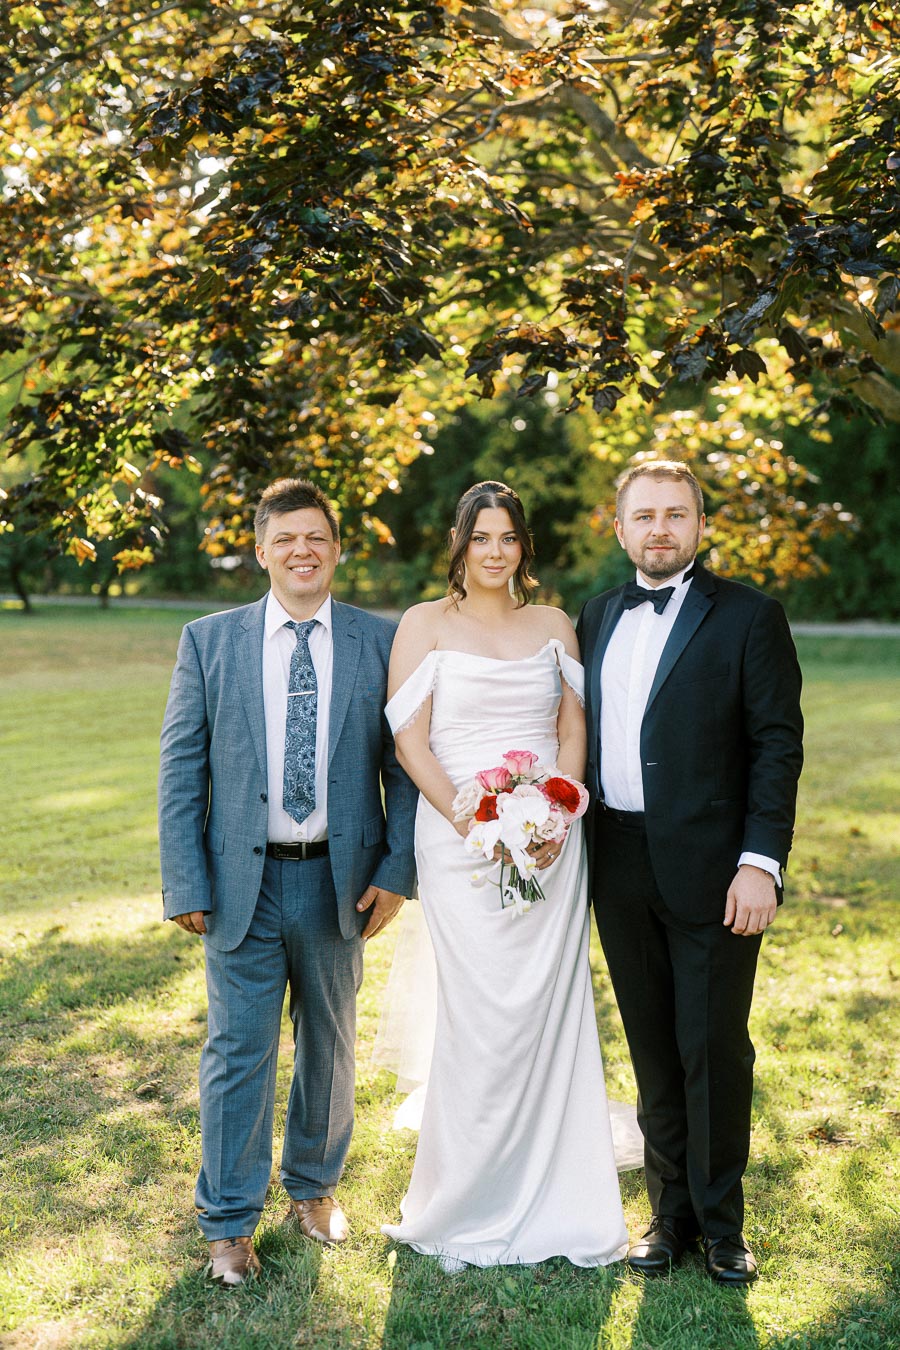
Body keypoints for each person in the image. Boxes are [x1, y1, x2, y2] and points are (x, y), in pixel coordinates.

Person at [158, 478, 417, 1286]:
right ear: (262, 551)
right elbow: (180, 766)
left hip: (341, 880)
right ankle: (229, 1223)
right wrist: (185, 879)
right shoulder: (210, 641)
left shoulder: (382, 642)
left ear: (337, 550)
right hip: (241, 881)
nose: (303, 551)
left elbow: (406, 768)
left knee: (331, 1043)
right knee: (236, 1050)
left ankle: (313, 1189)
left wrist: (395, 871)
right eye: (286, 539)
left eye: (318, 538)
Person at [380, 480, 628, 1271]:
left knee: (547, 1009)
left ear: (524, 545)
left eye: (508, 537)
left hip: (551, 845)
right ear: (459, 542)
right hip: (457, 841)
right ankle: (466, 1194)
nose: (495, 551)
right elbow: (411, 742)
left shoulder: (554, 624)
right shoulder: (424, 625)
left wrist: (559, 813)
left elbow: (570, 724)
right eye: (480, 537)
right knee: (481, 1011)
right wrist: (471, 818)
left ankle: (559, 1189)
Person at [577, 460, 804, 1285]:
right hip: (618, 862)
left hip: (716, 869)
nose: (660, 529)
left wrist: (760, 863)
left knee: (712, 1045)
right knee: (651, 1046)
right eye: (645, 516)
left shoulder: (749, 617)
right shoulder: (596, 616)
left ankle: (722, 1223)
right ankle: (667, 1214)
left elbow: (776, 746)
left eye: (676, 514)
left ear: (701, 525)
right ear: (621, 527)